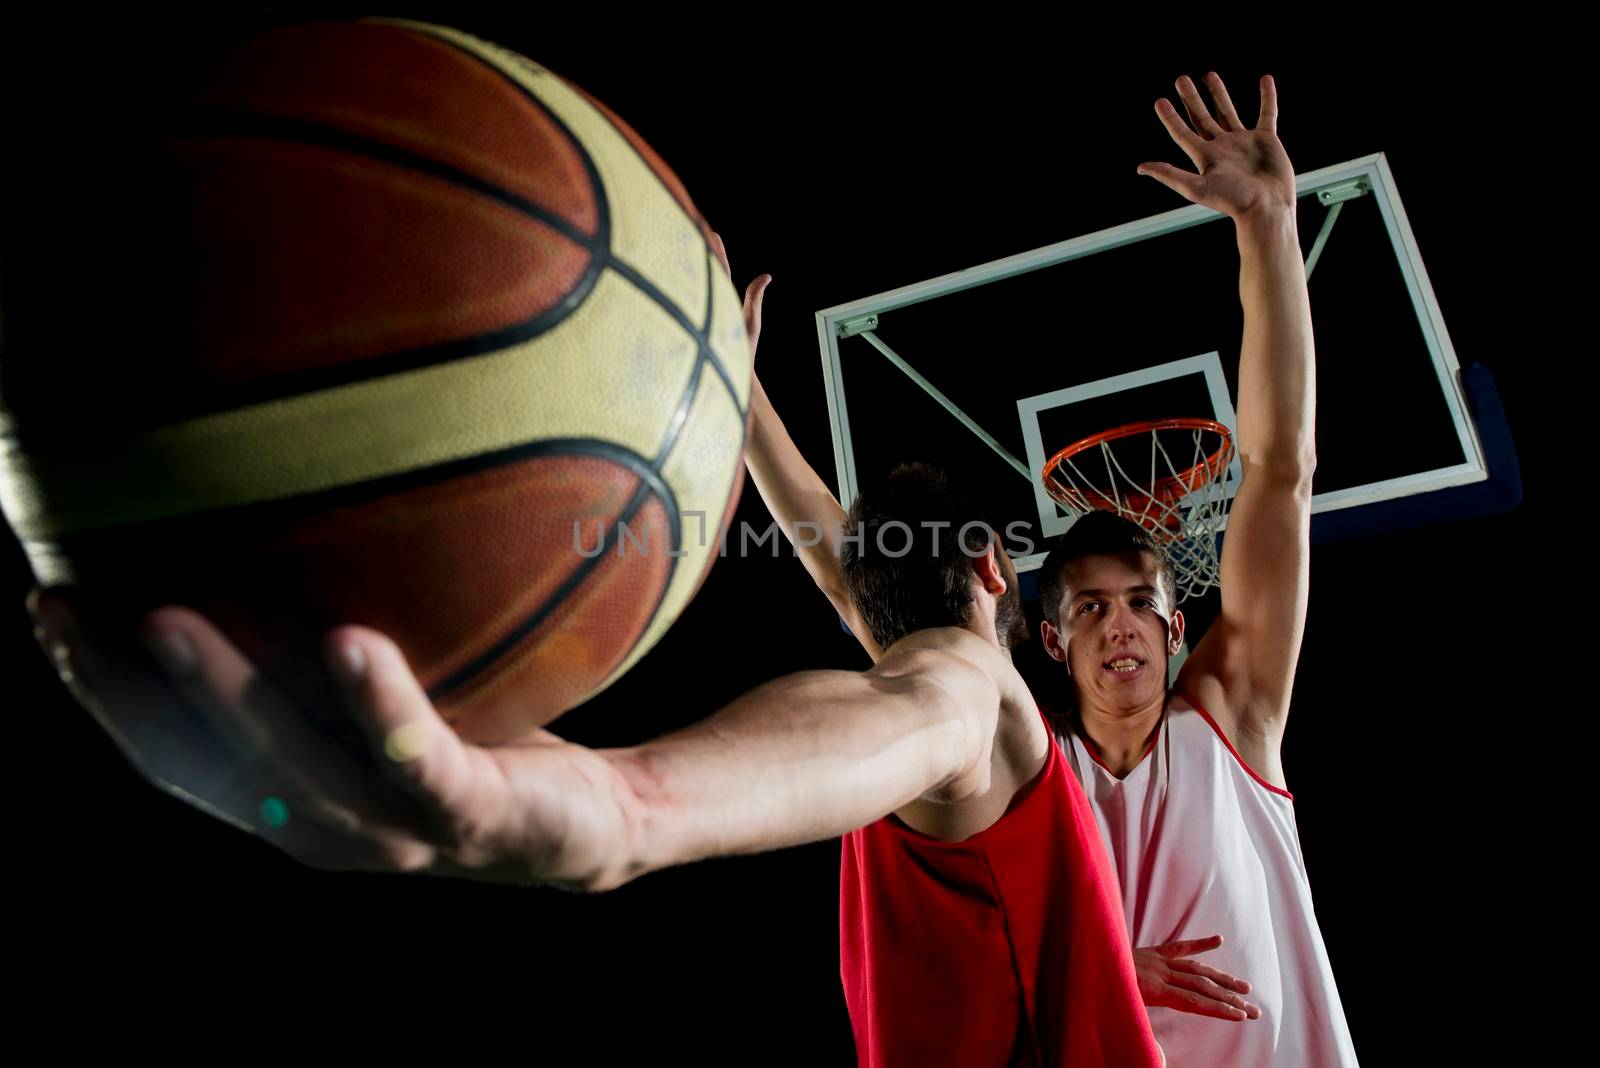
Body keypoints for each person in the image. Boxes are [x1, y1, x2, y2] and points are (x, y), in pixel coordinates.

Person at [742, 71, 1356, 1064]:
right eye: (1093, 608)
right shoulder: (1021, 762)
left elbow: (1281, 471)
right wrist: (742, 401)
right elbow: (846, 571)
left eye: (1141, 605)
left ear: (1173, 630)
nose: (1121, 624)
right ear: (1048, 634)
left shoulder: (1234, 720)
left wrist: (1270, 227)